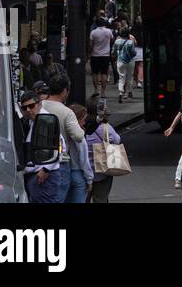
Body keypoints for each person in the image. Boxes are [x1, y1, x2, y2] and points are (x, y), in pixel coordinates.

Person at [40, 75, 92, 204]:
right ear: (64, 91)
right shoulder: (66, 112)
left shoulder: (38, 107)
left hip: (38, 161)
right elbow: (78, 136)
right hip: (59, 162)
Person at [20, 89, 68, 203]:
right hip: (37, 175)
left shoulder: (45, 120)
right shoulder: (32, 121)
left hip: (44, 176)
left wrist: (46, 170)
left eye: (31, 106)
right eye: (24, 108)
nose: (28, 110)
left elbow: (61, 147)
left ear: (39, 104)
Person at [84, 103, 123, 203]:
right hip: (103, 170)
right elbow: (117, 140)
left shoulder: (82, 126)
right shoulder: (106, 127)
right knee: (101, 198)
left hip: (85, 170)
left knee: (83, 199)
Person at [88, 18, 114, 98]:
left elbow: (91, 44)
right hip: (105, 55)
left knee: (95, 73)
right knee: (104, 73)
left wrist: (89, 53)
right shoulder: (108, 31)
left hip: (95, 55)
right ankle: (103, 92)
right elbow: (112, 39)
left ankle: (96, 90)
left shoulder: (93, 32)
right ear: (104, 23)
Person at [114, 27, 137, 103]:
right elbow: (134, 53)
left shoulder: (117, 41)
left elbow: (113, 52)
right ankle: (129, 91)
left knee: (121, 77)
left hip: (120, 61)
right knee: (130, 77)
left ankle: (121, 93)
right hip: (130, 61)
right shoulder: (131, 42)